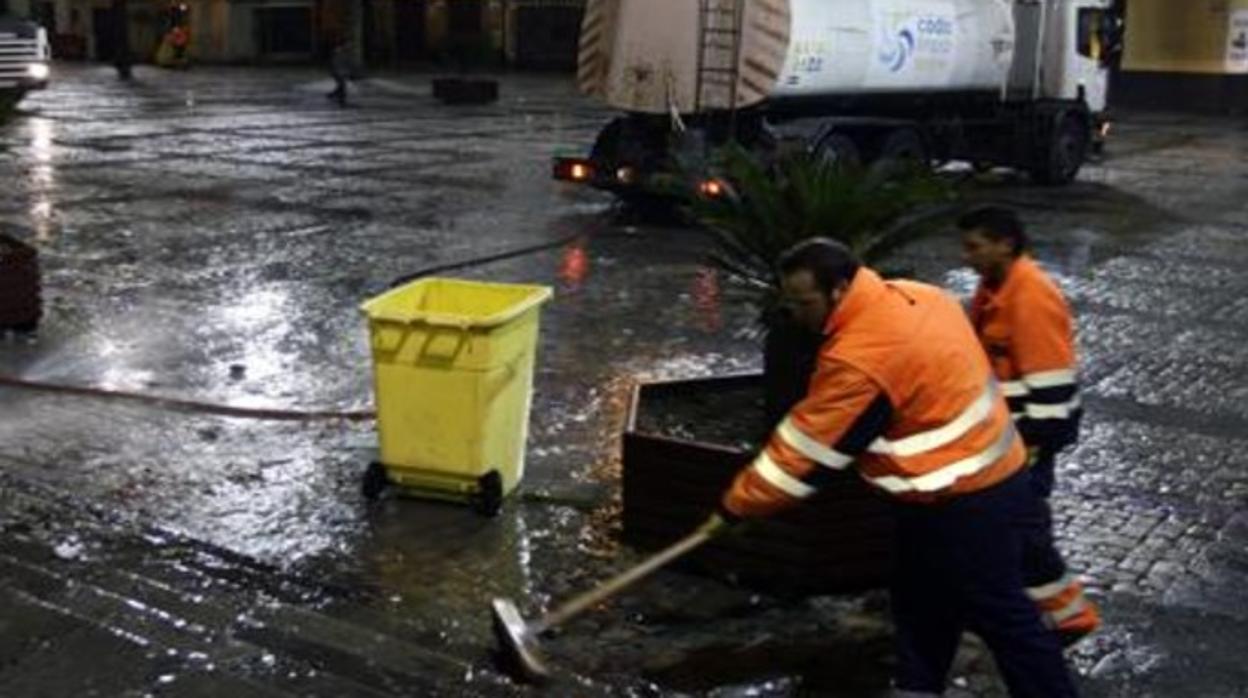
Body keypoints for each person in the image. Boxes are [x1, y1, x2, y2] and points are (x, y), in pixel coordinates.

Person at [716, 239, 1079, 697]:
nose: (796, 313)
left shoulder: (862, 357)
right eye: (788, 301)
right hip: (954, 489)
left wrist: (733, 509)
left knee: (1002, 617)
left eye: (804, 302)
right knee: (922, 604)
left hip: (966, 500)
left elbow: (804, 454)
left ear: (840, 289)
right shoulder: (917, 295)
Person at [960, 206, 1101, 646]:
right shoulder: (995, 289)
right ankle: (1038, 614)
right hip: (1011, 436)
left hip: (1028, 439)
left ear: (1006, 243)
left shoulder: (1030, 297)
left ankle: (1065, 619)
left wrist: (1034, 446)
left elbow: (1051, 382)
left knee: (1022, 530)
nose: (968, 257)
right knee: (1012, 528)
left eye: (975, 246)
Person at [327, 39, 351, 107]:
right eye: (348, 44)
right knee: (342, 85)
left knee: (341, 85)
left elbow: (346, 62)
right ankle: (341, 99)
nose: (349, 46)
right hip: (337, 72)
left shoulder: (344, 52)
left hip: (340, 71)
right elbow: (335, 63)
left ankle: (333, 95)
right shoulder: (338, 52)